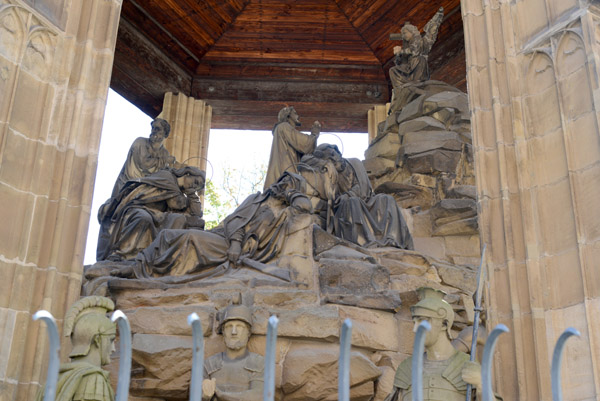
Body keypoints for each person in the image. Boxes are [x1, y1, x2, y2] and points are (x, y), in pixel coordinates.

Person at [111, 172, 313, 280]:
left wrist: (291, 193)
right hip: (228, 240)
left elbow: (305, 207)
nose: (281, 184)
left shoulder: (284, 213)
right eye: (282, 180)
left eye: (288, 183)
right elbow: (236, 220)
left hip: (243, 251)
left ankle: (142, 270)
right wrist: (235, 242)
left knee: (187, 238)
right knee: (170, 235)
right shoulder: (256, 199)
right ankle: (139, 266)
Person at [304, 144, 413, 249]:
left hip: (366, 198)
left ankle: (392, 239)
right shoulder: (330, 174)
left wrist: (348, 194)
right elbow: (305, 160)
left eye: (333, 154)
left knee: (387, 199)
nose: (333, 158)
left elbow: (362, 186)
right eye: (329, 158)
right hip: (348, 205)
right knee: (353, 202)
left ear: (338, 152)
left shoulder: (355, 163)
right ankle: (365, 241)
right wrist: (324, 164)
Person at [384, 287, 483, 401]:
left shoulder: (467, 364)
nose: (415, 329)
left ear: (444, 324)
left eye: (422, 321)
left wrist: (481, 385)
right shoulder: (406, 368)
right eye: (414, 322)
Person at [97, 166, 205, 261]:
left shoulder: (180, 192)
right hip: (138, 206)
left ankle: (162, 256)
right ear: (188, 174)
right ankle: (122, 253)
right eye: (195, 182)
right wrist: (190, 195)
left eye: (197, 188)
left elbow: (196, 213)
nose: (193, 187)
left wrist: (192, 195)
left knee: (178, 219)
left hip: (157, 215)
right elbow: (176, 203)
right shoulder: (167, 177)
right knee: (143, 218)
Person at [35, 296, 116, 401]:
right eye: (110, 340)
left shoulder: (50, 383)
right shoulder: (94, 379)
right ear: (97, 339)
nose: (113, 348)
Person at [202, 305, 263, 401]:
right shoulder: (208, 365)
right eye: (229, 326)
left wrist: (221, 395)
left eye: (239, 326)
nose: (234, 332)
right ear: (223, 331)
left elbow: (258, 396)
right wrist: (205, 394)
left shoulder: (259, 363)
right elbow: (196, 393)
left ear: (248, 332)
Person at [111, 118, 176, 198]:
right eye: (153, 128)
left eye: (158, 129)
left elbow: (162, 173)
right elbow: (144, 164)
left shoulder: (164, 152)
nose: (154, 131)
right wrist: (165, 160)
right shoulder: (140, 142)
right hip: (128, 185)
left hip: (147, 188)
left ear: (165, 134)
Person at [264, 106, 321, 189]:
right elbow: (304, 143)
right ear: (288, 115)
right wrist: (314, 134)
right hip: (286, 174)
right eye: (295, 113)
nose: (298, 116)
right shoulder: (284, 126)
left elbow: (303, 153)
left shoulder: (282, 129)